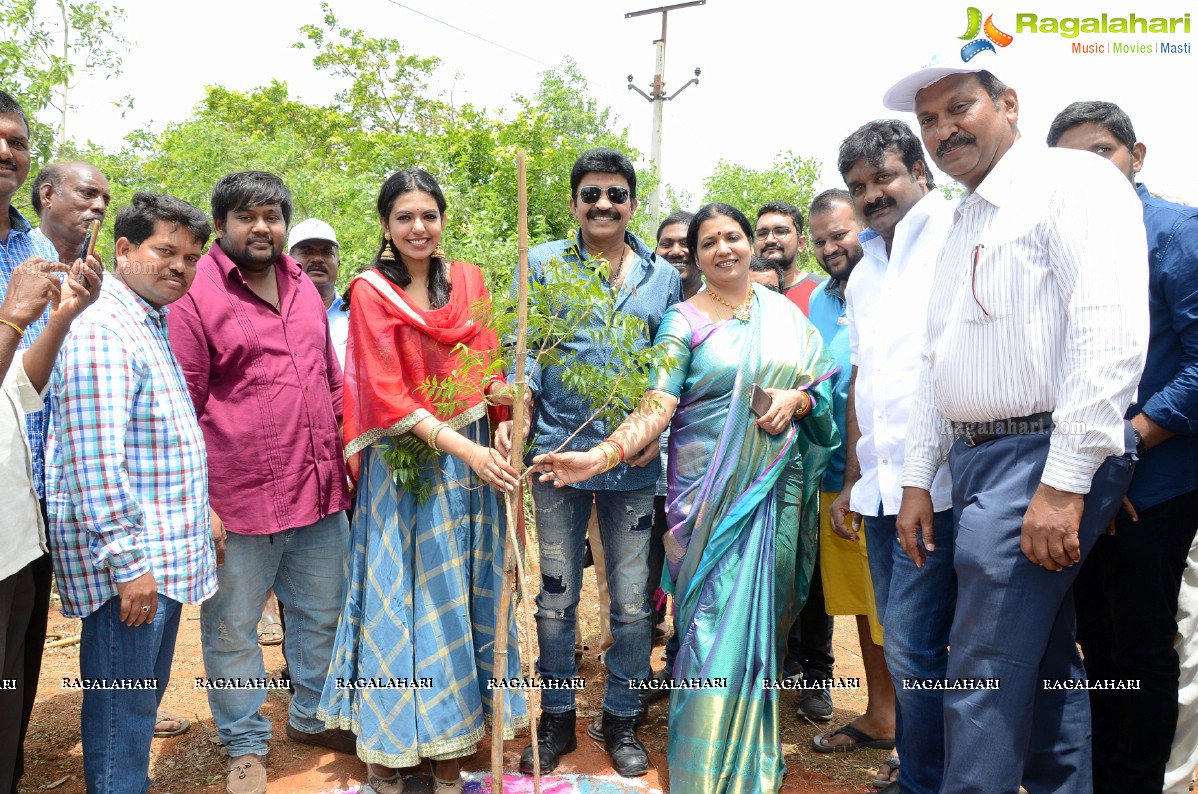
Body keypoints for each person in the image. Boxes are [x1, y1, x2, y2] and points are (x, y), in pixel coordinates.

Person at [890, 63, 1149, 793]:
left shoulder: (1073, 182)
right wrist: (918, 479)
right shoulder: (965, 215)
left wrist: (1063, 485)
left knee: (981, 669)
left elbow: (1110, 334)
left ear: (1008, 104)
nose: (944, 130)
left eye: (959, 108)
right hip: (980, 462)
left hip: (1041, 456)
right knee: (1041, 665)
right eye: (929, 121)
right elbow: (936, 361)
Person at [533, 202, 838, 792]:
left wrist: (797, 403)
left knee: (763, 625)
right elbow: (658, 403)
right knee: (704, 628)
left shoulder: (786, 317)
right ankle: (700, 767)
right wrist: (601, 454)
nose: (723, 249)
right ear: (694, 257)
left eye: (733, 237)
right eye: (709, 243)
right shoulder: (683, 320)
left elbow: (820, 392)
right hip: (704, 503)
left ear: (750, 244)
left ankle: (752, 754)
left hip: (771, 492)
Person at [317, 168, 527, 794]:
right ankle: (401, 738)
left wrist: (505, 420)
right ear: (385, 225)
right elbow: (383, 393)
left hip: (472, 468)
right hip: (408, 466)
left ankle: (457, 731)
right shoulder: (370, 292)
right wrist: (465, 446)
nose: (418, 228)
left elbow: (489, 364)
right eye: (404, 217)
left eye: (428, 216)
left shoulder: (469, 281)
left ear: (442, 220)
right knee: (410, 596)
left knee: (466, 593)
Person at [168, 171, 352, 794]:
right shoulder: (196, 294)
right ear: (222, 225)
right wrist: (201, 503)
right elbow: (184, 407)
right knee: (232, 626)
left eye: (272, 215)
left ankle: (310, 715)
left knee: (322, 613)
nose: (261, 227)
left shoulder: (304, 287)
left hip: (318, 494)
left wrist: (342, 463)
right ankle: (245, 743)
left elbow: (329, 377)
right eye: (247, 216)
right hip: (237, 497)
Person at [508, 147, 681, 778]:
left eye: (615, 193)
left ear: (632, 203)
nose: (603, 204)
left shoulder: (662, 276)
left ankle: (622, 718)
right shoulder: (543, 262)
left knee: (633, 604)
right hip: (556, 457)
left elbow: (666, 366)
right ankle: (555, 718)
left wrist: (647, 432)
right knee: (555, 598)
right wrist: (520, 397)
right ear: (574, 202)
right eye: (591, 194)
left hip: (633, 467)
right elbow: (522, 344)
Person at [1048, 100, 1198, 794]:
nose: (1090, 170)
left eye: (1102, 152)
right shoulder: (1062, 243)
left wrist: (1123, 453)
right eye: (1071, 161)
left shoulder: (1176, 233)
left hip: (1154, 486)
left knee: (1138, 646)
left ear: (1137, 155)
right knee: (1096, 644)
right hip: (1078, 483)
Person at [48, 192, 209, 794]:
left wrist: (204, 513)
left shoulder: (144, 319)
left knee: (136, 704)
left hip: (157, 554)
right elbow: (94, 461)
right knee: (124, 713)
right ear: (123, 249)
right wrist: (129, 562)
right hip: (135, 567)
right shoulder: (104, 329)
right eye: (164, 251)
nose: (179, 267)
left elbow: (154, 443)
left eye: (191, 257)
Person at [829, 120, 958, 793]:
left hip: (937, 488)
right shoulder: (864, 271)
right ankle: (923, 769)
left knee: (914, 644)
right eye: (859, 187)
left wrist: (910, 482)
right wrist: (855, 479)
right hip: (881, 490)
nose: (872, 194)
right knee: (905, 642)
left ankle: (927, 780)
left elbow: (945, 372)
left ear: (919, 172)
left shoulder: (955, 238)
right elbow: (864, 382)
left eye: (884, 177)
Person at [0, 251, 100, 793]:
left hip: (14, 546)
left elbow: (17, 389)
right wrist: (12, 319)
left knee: (8, 691)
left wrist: (61, 316)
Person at [805, 187, 898, 769]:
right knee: (861, 607)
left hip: (892, 479)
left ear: (863, 226)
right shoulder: (817, 299)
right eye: (820, 240)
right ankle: (882, 713)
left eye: (839, 234)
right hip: (835, 479)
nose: (829, 248)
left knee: (904, 611)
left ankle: (919, 733)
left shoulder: (895, 284)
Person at [0, 89, 69, 791]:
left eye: (16, 140)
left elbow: (29, 383)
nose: (5, 152)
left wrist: (60, 317)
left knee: (16, 664)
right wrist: (13, 317)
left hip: (29, 497)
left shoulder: (36, 247)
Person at [289, 217, 348, 368]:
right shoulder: (275, 315)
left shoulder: (356, 314)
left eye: (326, 252)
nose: (317, 259)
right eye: (306, 252)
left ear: (338, 263)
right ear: (288, 262)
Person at [30, 161, 111, 265]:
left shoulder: (105, 281)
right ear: (48, 195)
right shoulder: (7, 256)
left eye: (106, 201)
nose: (101, 206)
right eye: (87, 194)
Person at [754, 201, 823, 315]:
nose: (770, 239)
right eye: (762, 233)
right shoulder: (737, 296)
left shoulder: (823, 292)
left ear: (800, 243)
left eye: (781, 232)